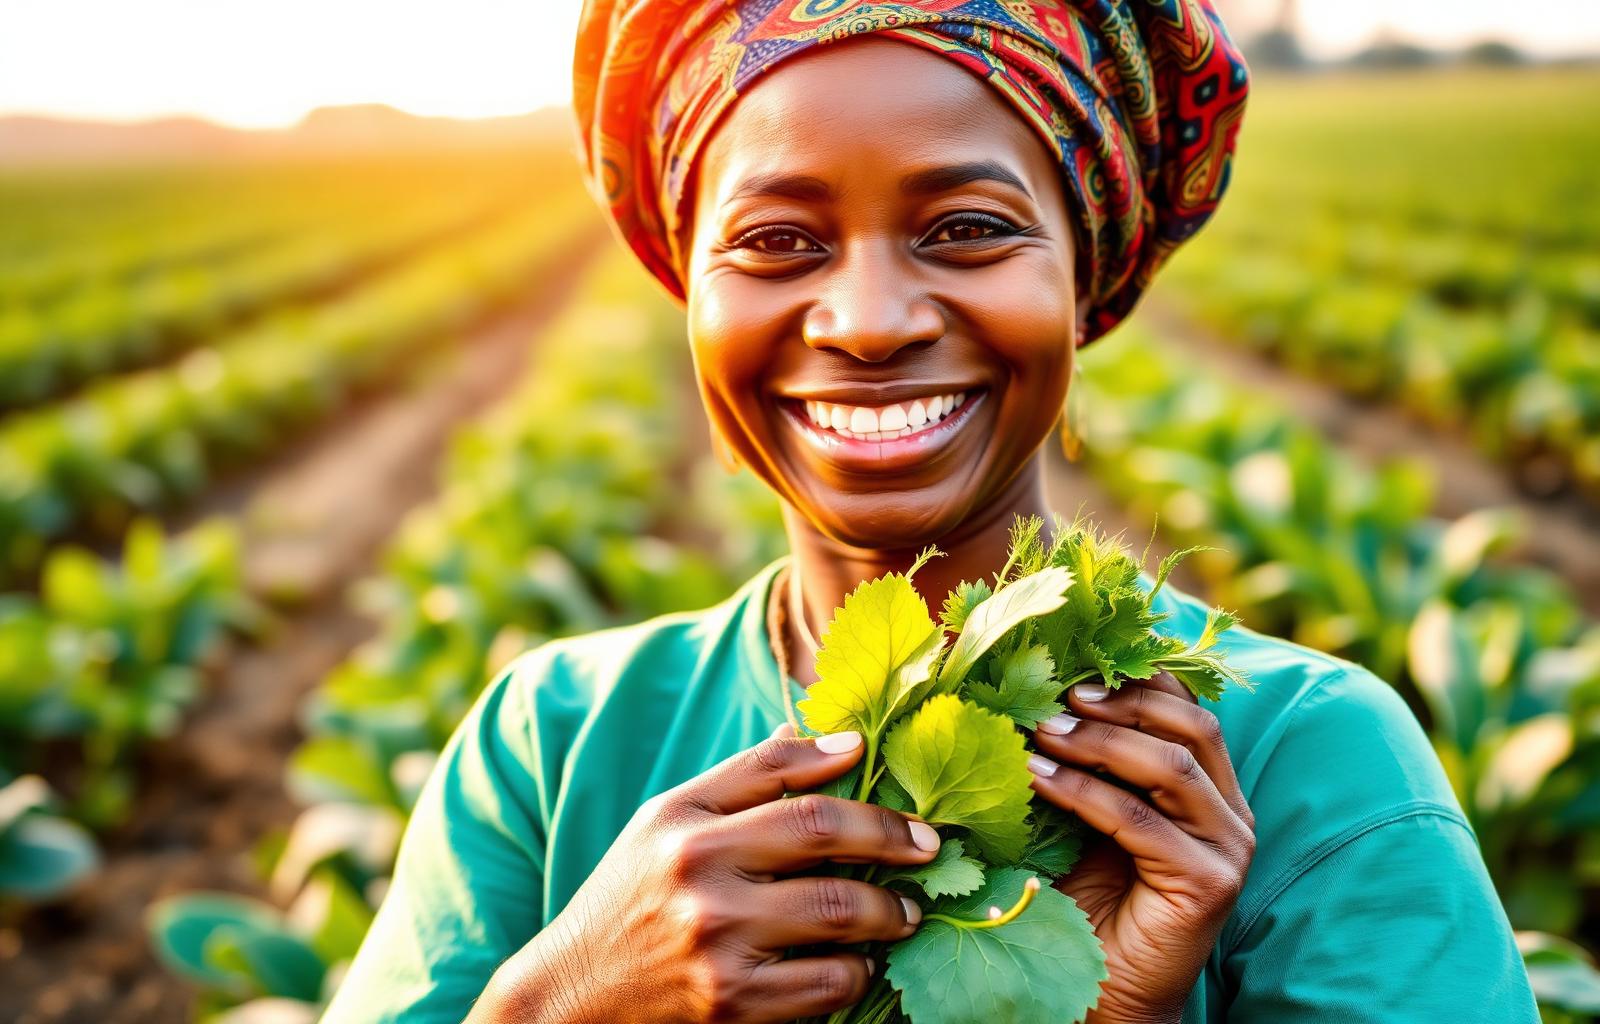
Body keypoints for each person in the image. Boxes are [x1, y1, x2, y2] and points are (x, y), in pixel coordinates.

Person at [321, 2, 1540, 1021]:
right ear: (687, 296)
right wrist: (564, 1000)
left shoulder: (1303, 760)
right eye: (778, 239)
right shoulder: (552, 743)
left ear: (1083, 275)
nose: (868, 319)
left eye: (966, 228)